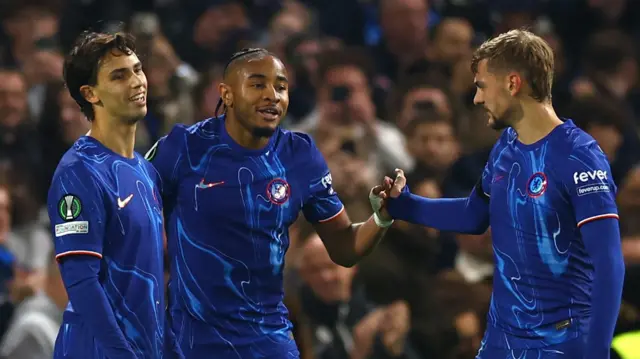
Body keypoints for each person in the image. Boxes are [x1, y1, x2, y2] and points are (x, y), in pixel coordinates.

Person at [373, 29, 625, 358]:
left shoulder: (580, 155)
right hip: (501, 340)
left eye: (481, 87)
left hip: (561, 343)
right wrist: (404, 205)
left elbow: (608, 262)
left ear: (512, 83)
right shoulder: (506, 147)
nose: (477, 99)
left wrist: (596, 352)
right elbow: (472, 215)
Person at [146, 48, 391, 358]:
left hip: (268, 340)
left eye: (281, 86)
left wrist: (381, 216)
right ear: (228, 93)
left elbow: (344, 246)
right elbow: (131, 210)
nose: (272, 95)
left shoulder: (299, 155)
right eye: (258, 84)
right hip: (191, 342)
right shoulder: (183, 148)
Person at [46, 31, 181, 359]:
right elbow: (81, 283)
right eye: (120, 75)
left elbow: (147, 285)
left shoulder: (145, 171)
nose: (137, 81)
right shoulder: (78, 172)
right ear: (90, 94)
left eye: (137, 69)